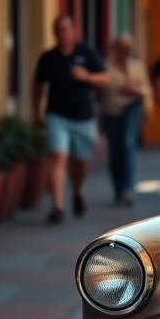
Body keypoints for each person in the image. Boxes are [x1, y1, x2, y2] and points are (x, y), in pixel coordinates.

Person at [32, 15, 108, 224]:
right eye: (58, 30)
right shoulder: (48, 58)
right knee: (58, 157)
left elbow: (105, 78)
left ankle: (77, 191)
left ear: (74, 31)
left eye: (66, 29)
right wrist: (36, 113)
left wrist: (87, 77)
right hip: (56, 115)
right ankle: (58, 207)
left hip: (83, 117)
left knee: (80, 162)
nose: (62, 33)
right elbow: (37, 86)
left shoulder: (87, 53)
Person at [100, 35, 151, 207]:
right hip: (112, 111)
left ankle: (128, 188)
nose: (124, 52)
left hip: (132, 108)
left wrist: (136, 91)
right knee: (115, 149)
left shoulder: (137, 66)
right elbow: (103, 86)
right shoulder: (106, 67)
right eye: (121, 48)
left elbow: (145, 88)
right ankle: (118, 188)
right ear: (115, 49)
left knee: (127, 144)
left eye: (127, 48)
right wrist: (118, 88)